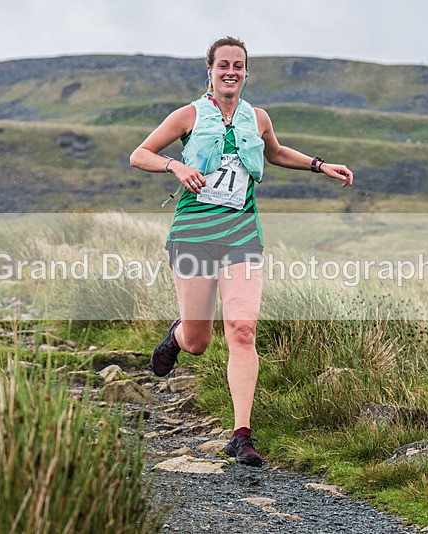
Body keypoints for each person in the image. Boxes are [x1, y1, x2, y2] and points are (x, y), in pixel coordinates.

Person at [129, 36, 353, 467]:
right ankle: (177, 335)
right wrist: (175, 164)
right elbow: (139, 154)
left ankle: (241, 434)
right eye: (223, 65)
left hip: (241, 233)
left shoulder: (258, 118)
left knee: (243, 329)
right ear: (209, 72)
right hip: (194, 232)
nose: (231, 71)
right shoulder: (188, 115)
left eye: (238, 65)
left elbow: (276, 152)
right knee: (198, 341)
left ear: (246, 73)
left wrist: (320, 165)